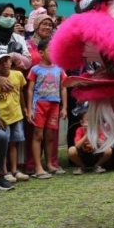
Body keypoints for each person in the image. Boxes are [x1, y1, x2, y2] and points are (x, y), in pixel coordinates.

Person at [0, 47, 29, 183]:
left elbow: (21, 92)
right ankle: (5, 171)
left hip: (17, 115)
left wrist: (25, 108)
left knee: (14, 144)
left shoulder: (18, 75)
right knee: (3, 144)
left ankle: (14, 170)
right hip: (2, 119)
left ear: (11, 61)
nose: (4, 64)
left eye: (6, 60)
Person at [26, 39, 67, 179]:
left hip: (54, 105)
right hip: (39, 105)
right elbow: (30, 90)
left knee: (50, 136)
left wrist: (65, 107)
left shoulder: (59, 69)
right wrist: (29, 109)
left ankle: (50, 164)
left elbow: (63, 87)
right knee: (38, 135)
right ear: (41, 53)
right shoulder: (35, 69)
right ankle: (38, 167)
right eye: (50, 50)